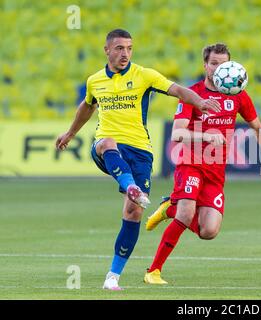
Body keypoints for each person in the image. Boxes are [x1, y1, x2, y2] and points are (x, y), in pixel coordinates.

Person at [55, 29, 221, 291]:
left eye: (129, 48)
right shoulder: (95, 81)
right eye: (120, 48)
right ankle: (130, 185)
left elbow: (177, 90)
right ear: (107, 50)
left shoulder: (145, 75)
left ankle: (112, 277)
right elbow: (87, 106)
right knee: (106, 142)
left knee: (133, 213)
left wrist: (200, 102)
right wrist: (70, 133)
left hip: (140, 152)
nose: (125, 53)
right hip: (108, 147)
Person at [142, 43, 261, 284]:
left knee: (209, 231)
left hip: (216, 170)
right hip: (191, 163)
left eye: (223, 64)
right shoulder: (192, 94)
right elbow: (177, 134)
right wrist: (206, 136)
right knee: (187, 215)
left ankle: (170, 208)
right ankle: (153, 271)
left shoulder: (237, 94)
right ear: (205, 65)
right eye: (214, 63)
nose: (219, 68)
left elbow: (258, 128)